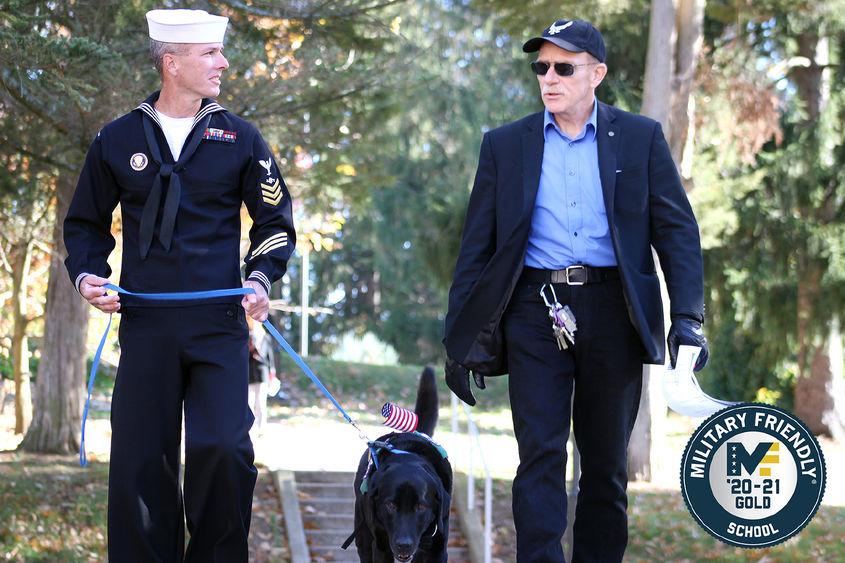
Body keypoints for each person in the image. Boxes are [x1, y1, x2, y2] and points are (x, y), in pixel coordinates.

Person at [443, 19, 709, 562]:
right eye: (541, 66)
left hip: (615, 310)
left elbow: (677, 232)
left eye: (564, 66)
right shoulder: (504, 145)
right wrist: (459, 340)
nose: (549, 77)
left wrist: (689, 317)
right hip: (534, 311)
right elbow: (476, 249)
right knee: (538, 457)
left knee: (605, 467)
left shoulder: (640, 138)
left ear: (597, 74)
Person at [63, 9, 295, 562]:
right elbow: (85, 225)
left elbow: (275, 225)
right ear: (172, 63)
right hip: (145, 326)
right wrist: (89, 277)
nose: (223, 63)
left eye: (220, 52)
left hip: (219, 326)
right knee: (142, 464)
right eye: (209, 54)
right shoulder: (116, 139)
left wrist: (260, 279)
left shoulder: (241, 138)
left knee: (223, 449)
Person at [247, 316, 275, 439]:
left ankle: (262, 427)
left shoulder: (266, 338)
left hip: (262, 373)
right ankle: (250, 428)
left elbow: (270, 358)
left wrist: (272, 375)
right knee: (250, 402)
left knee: (261, 403)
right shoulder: (246, 337)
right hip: (249, 374)